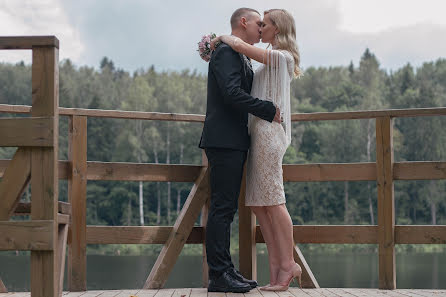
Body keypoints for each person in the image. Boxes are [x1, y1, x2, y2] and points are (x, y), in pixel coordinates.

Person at [210, 9, 303, 291]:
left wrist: (220, 39)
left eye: (265, 24)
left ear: (277, 29)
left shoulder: (283, 57)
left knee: (274, 200)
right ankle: (276, 271)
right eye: (258, 23)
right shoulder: (266, 61)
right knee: (260, 205)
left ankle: (289, 264)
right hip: (255, 135)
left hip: (268, 134)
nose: (260, 27)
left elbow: (240, 46)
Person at [198, 8, 281, 293]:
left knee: (227, 208)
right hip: (223, 140)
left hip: (233, 140)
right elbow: (232, 94)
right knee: (222, 209)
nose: (261, 28)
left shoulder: (238, 53)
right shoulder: (226, 53)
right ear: (243, 22)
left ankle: (226, 269)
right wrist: (269, 110)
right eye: (259, 23)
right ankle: (219, 276)